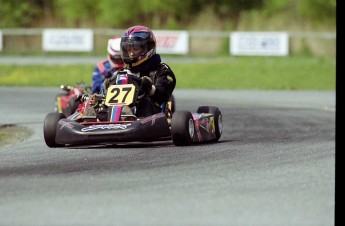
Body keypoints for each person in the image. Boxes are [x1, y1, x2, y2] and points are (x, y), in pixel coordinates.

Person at [105, 25, 176, 118]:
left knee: (145, 103)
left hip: (152, 115)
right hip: (120, 112)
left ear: (148, 48)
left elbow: (162, 96)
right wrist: (108, 86)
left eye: (135, 49)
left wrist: (150, 88)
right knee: (100, 104)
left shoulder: (162, 70)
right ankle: (94, 117)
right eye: (128, 49)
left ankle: (126, 114)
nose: (131, 53)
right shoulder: (123, 72)